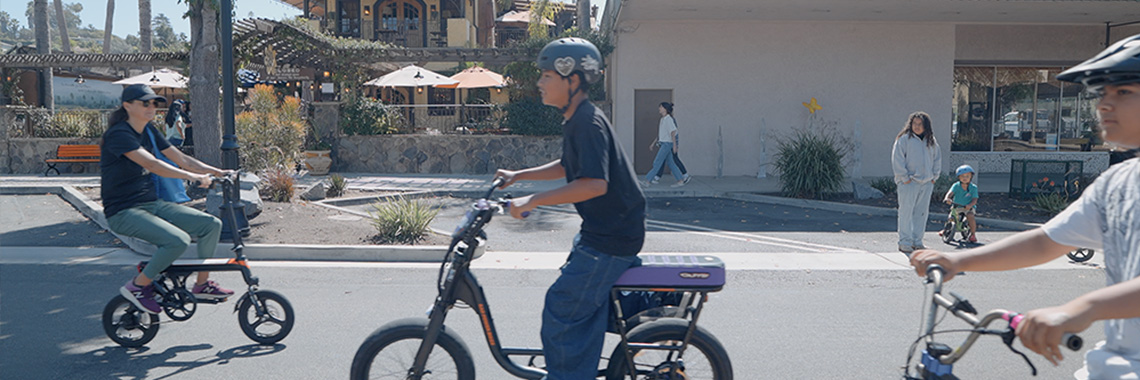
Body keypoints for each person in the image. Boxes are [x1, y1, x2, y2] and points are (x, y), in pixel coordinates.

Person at [911, 33, 1140, 380]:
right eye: (1101, 94)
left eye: (1123, 92)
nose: (1104, 106)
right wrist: (958, 260)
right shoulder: (1118, 184)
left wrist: (1082, 309)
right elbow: (1046, 241)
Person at [493, 38, 646, 380]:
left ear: (572, 80)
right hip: (601, 234)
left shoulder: (587, 123)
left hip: (610, 239)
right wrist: (519, 177)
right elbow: (568, 166)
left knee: (562, 308)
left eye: (547, 76)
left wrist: (532, 201)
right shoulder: (578, 119)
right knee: (581, 305)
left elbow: (594, 184)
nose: (539, 83)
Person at [102, 84, 234, 315]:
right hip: (123, 211)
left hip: (151, 205)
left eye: (154, 102)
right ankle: (138, 286)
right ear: (127, 105)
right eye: (145, 103)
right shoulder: (119, 135)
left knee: (210, 225)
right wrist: (192, 177)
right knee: (177, 240)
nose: (151, 107)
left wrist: (218, 172)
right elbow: (152, 164)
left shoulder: (150, 131)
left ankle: (202, 284)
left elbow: (181, 158)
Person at [891, 111, 942, 254]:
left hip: (926, 183)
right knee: (906, 213)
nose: (917, 127)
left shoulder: (931, 141)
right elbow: (898, 159)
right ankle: (904, 242)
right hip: (909, 182)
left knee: (921, 213)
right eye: (914, 124)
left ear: (926, 126)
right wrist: (904, 178)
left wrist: (934, 177)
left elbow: (937, 159)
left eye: (920, 124)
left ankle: (917, 241)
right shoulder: (904, 139)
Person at [648, 102, 693, 188]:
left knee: (672, 159)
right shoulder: (663, 119)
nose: (659, 109)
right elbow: (661, 134)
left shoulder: (670, 120)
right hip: (665, 143)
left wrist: (675, 145)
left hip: (669, 144)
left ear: (665, 109)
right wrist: (654, 143)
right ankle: (658, 177)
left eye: (660, 107)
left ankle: (684, 175)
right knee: (665, 159)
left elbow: (674, 133)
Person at [940, 164, 979, 243]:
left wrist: (970, 205)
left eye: (967, 176)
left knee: (970, 215)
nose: (965, 178)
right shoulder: (956, 185)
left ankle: (973, 234)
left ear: (971, 177)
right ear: (959, 177)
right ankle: (946, 229)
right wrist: (947, 198)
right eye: (962, 176)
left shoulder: (973, 187)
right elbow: (950, 193)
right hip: (957, 205)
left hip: (968, 207)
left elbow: (975, 199)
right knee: (951, 216)